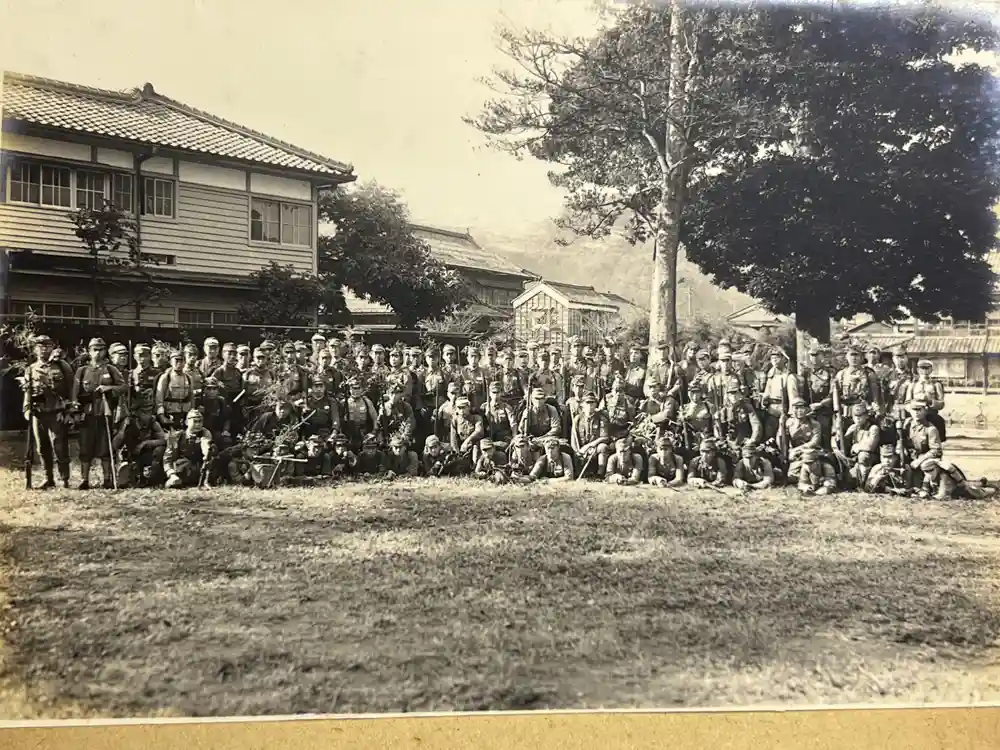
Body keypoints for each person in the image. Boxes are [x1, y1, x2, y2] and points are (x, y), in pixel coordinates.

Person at [72, 337, 127, 489]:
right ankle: (84, 480)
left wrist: (109, 389)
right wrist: (75, 412)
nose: (98, 353)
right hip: (87, 414)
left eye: (101, 349)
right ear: (89, 352)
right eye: (94, 349)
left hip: (105, 413)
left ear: (105, 351)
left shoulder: (111, 369)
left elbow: (123, 387)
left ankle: (107, 479)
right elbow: (75, 395)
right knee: (86, 448)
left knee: (105, 447)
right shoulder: (82, 371)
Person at [22, 333, 74, 489]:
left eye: (47, 346)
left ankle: (64, 479)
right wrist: (26, 408)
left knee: (59, 446)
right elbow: (28, 391)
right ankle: (48, 478)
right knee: (42, 447)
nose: (44, 349)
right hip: (39, 413)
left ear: (52, 348)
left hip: (57, 412)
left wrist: (69, 410)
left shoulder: (62, 367)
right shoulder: (31, 369)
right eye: (40, 346)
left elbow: (71, 389)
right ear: (35, 350)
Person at [163, 409, 214, 489]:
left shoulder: (205, 432)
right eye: (195, 421)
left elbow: (206, 443)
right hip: (182, 470)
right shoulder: (176, 436)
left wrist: (206, 452)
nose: (198, 425)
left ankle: (206, 480)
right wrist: (171, 474)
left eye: (200, 421)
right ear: (186, 422)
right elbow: (167, 458)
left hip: (199, 468)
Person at [902, 359, 947, 442]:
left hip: (930, 414)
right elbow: (907, 403)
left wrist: (930, 401)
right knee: (905, 428)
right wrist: (913, 409)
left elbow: (941, 403)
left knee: (939, 422)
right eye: (922, 368)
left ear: (931, 370)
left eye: (927, 368)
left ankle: (936, 448)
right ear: (918, 370)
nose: (925, 371)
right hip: (916, 415)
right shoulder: (913, 385)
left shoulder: (936, 385)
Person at [570, 392, 612, 479]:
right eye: (587, 403)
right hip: (581, 448)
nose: (590, 406)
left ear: (596, 405)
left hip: (595, 448)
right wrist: (578, 451)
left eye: (592, 403)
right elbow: (574, 438)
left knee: (603, 447)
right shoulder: (577, 419)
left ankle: (599, 474)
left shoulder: (601, 418)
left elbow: (605, 437)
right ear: (582, 405)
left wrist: (590, 446)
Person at [155, 350, 195, 431]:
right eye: (176, 360)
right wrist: (161, 416)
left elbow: (191, 398)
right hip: (170, 415)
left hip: (185, 415)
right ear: (170, 362)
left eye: (181, 360)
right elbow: (159, 400)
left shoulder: (188, 378)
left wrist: (192, 414)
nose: (179, 363)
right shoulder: (166, 377)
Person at [843, 402, 881, 489]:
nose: (858, 419)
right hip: (855, 458)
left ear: (866, 416)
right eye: (856, 416)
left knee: (863, 455)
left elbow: (870, 447)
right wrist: (846, 434)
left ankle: (863, 484)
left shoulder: (873, 428)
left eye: (861, 416)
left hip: (870, 458)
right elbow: (844, 445)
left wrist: (856, 447)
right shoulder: (853, 428)